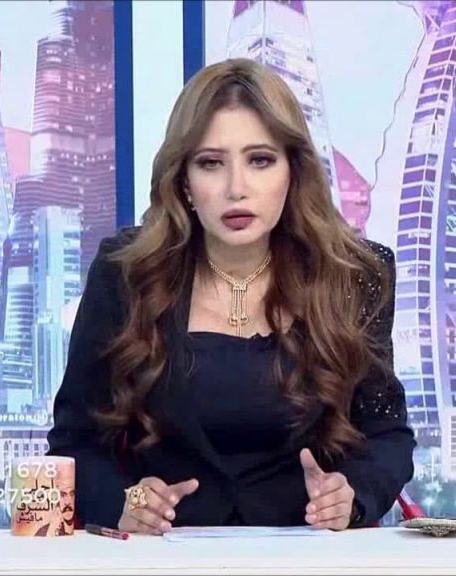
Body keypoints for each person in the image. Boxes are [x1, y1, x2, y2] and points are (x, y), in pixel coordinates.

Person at [47, 57, 416, 535]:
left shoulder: (354, 275)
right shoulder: (126, 273)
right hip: (163, 558)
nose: (236, 189)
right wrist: (126, 501)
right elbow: (74, 443)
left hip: (310, 555)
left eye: (260, 160)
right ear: (183, 180)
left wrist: (351, 496)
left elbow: (387, 437)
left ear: (293, 171)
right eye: (211, 163)